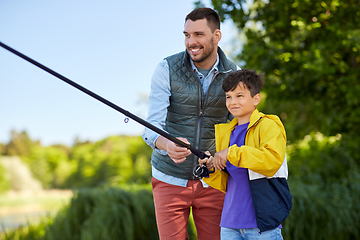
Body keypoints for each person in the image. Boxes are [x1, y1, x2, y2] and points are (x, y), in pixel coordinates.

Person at [142, 7, 239, 240]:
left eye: (198, 34)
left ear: (216, 36)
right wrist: (167, 145)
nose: (191, 42)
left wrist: (224, 155)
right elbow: (151, 127)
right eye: (186, 35)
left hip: (213, 180)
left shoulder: (234, 75)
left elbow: (237, 128)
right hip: (169, 177)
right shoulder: (166, 69)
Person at [199, 69, 292, 239]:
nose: (232, 101)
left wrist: (231, 153)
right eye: (228, 96)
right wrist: (211, 167)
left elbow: (271, 161)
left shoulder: (269, 126)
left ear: (256, 99)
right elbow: (229, 181)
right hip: (229, 225)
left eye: (239, 95)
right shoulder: (227, 132)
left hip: (262, 226)